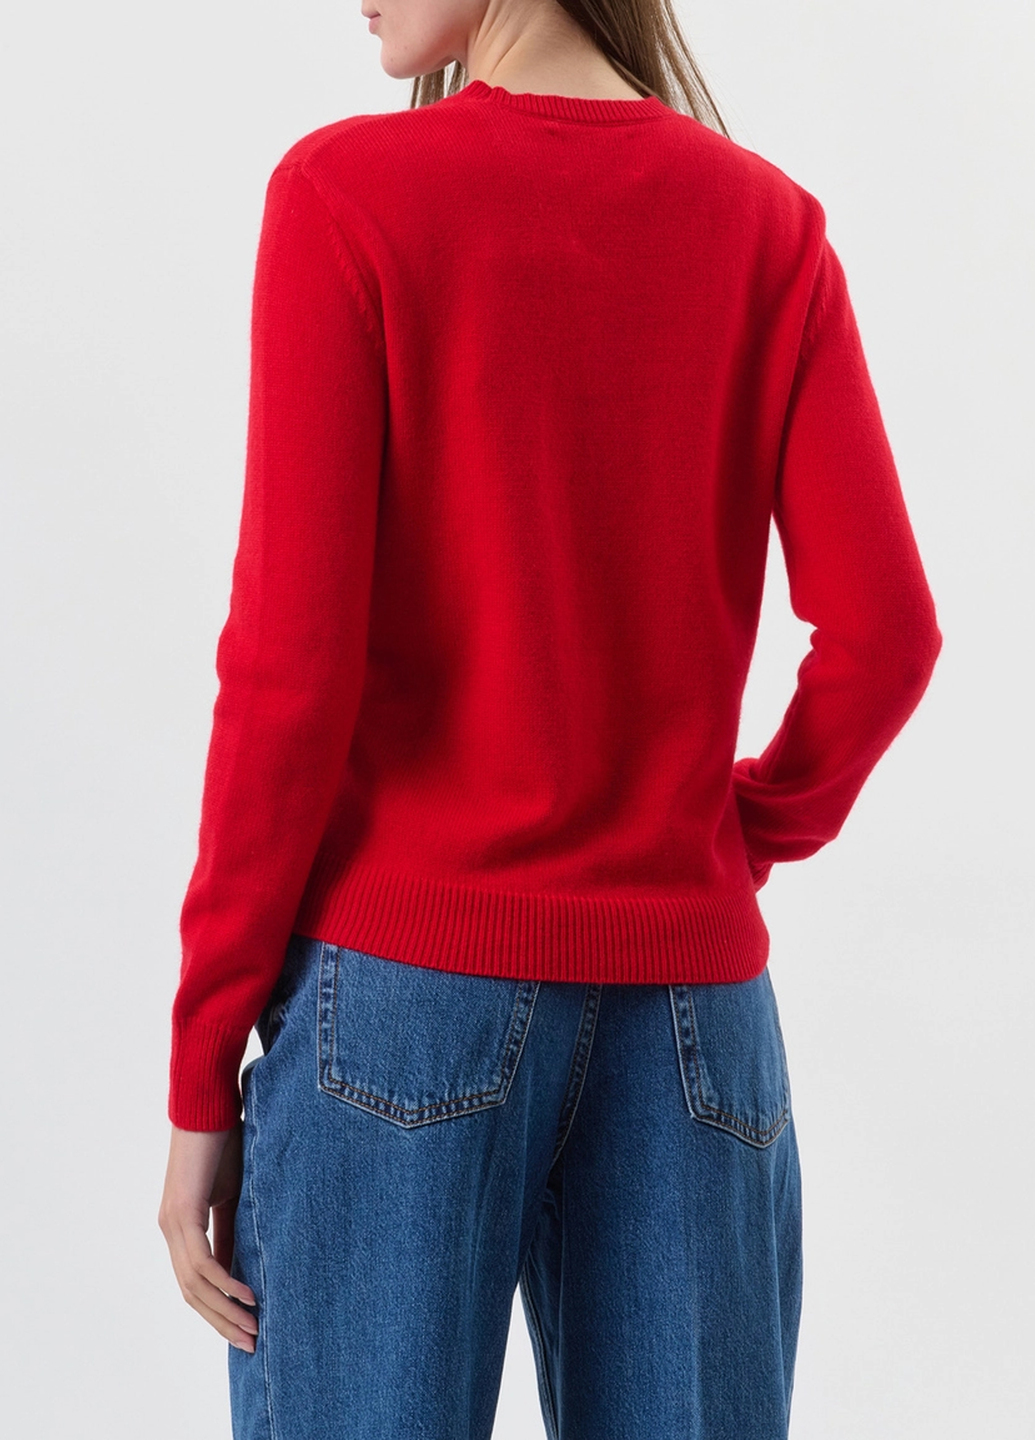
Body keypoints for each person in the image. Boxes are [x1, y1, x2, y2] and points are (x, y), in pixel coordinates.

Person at [158, 2, 943, 1436]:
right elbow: (887, 635)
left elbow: (288, 675)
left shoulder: (348, 197)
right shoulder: (768, 228)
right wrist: (729, 840)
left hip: (404, 998)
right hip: (696, 1015)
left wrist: (205, 1063)